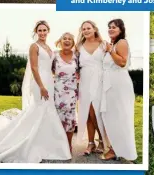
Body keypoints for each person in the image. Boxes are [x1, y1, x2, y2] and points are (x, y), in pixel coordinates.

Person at [0, 20, 71, 163]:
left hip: (50, 80)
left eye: (44, 30)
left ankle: (46, 144)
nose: (42, 33)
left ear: (48, 31)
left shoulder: (49, 47)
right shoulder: (34, 46)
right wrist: (42, 87)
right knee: (39, 109)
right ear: (36, 32)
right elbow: (35, 68)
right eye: (39, 30)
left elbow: (52, 66)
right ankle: (27, 142)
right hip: (39, 82)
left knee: (47, 110)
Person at [99, 19, 137, 161]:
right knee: (111, 116)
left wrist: (109, 51)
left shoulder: (122, 43)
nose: (110, 29)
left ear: (121, 29)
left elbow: (122, 62)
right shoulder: (113, 44)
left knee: (119, 117)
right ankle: (114, 148)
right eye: (109, 27)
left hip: (118, 85)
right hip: (110, 85)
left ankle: (116, 150)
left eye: (114, 27)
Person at [75, 20, 106, 155]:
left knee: (96, 111)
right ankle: (91, 143)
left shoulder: (103, 44)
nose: (86, 30)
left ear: (94, 29)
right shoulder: (78, 46)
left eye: (88, 28)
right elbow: (74, 63)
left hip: (100, 80)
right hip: (85, 80)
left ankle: (103, 141)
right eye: (84, 29)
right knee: (87, 112)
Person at [52, 32, 79, 153]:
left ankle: (68, 145)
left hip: (72, 92)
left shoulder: (77, 56)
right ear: (60, 41)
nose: (67, 41)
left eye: (69, 39)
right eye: (64, 39)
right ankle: (57, 144)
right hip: (57, 91)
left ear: (73, 43)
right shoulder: (54, 55)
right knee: (57, 117)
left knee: (70, 118)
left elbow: (81, 71)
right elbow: (49, 71)